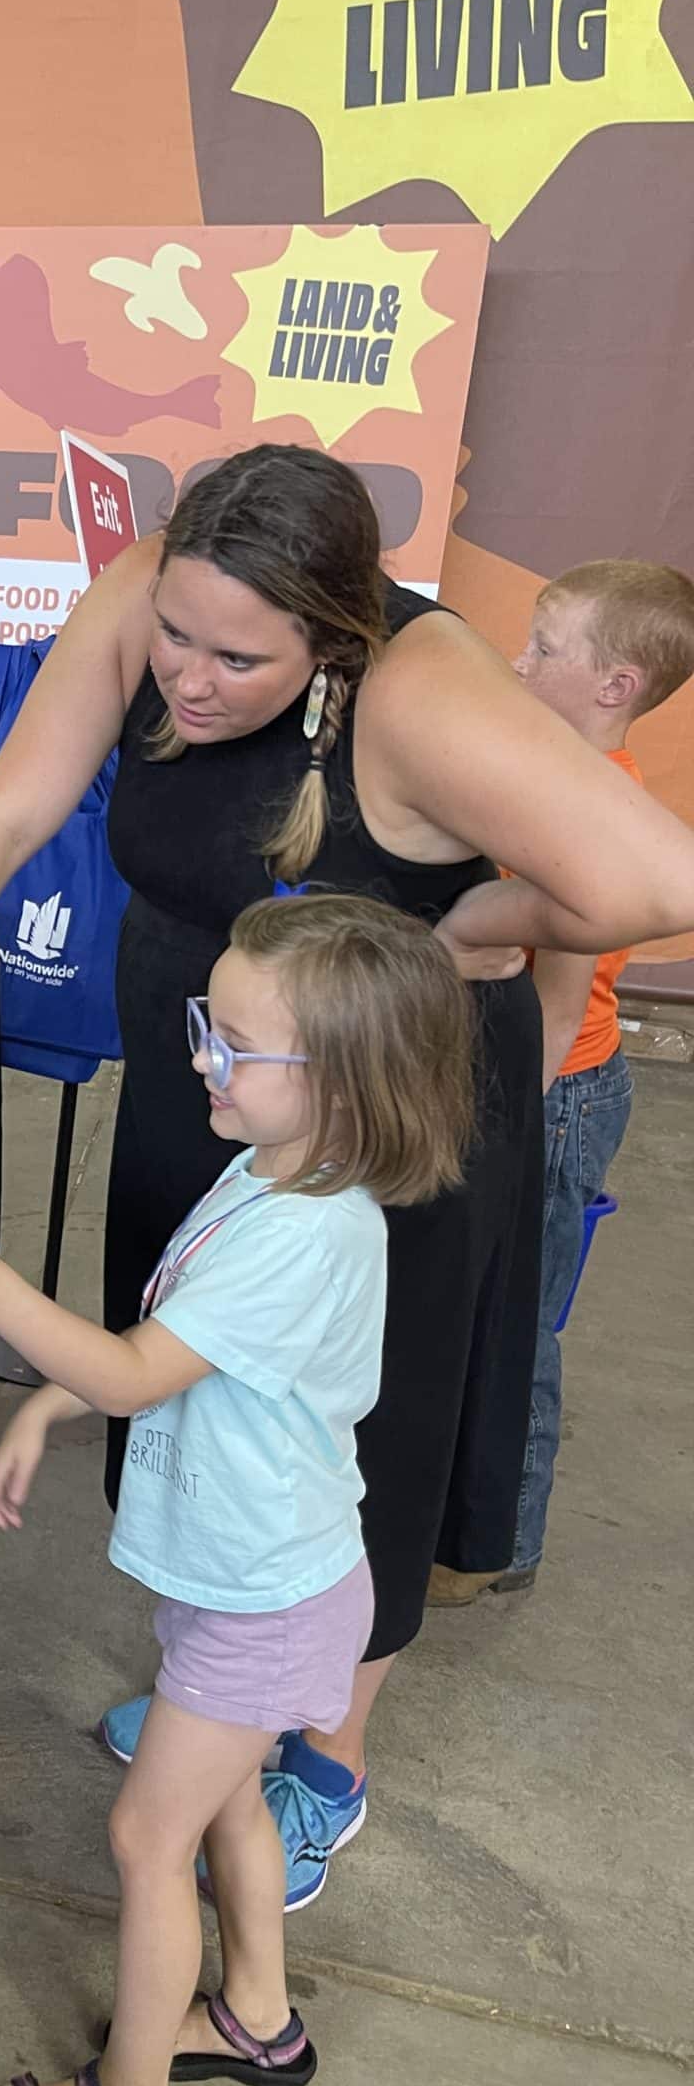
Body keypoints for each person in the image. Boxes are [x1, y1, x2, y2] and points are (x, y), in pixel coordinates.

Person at [0, 445, 694, 1906]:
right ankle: (240, 1688)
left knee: (364, 1440)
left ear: (334, 641)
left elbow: (660, 879)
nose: (189, 683)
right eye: (176, 640)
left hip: (384, 1103)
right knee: (202, 1387)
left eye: (239, 659)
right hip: (209, 1054)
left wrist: (466, 922)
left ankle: (324, 1761)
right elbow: (15, 811)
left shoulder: (420, 684)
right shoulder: (149, 594)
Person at [0, 896, 475, 2086]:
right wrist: (53, 1394)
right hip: (255, 1575)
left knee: (150, 1836)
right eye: (209, 1023)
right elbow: (176, 1343)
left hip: (266, 1599)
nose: (203, 1057)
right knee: (228, 1794)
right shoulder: (272, 1170)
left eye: (236, 1043)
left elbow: (144, 1371)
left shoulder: (307, 1232)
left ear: (345, 1089)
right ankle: (255, 2016)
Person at [430, 560, 694, 1605]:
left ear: (615, 684)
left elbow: (557, 994)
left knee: (520, 1314)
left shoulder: (592, 805)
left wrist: (518, 1126)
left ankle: (505, 1538)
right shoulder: (542, 772)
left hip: (558, 1088)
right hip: (535, 1078)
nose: (518, 660)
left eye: (546, 649)